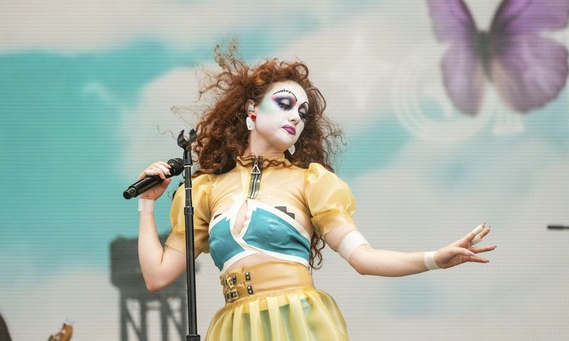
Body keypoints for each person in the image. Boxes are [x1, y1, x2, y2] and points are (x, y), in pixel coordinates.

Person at [135, 44, 496, 340]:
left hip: (298, 323)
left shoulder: (311, 181)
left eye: (303, 112)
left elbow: (364, 259)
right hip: (235, 329)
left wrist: (434, 258)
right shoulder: (206, 189)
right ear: (251, 111)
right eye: (284, 104)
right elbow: (158, 276)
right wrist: (146, 207)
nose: (296, 117)